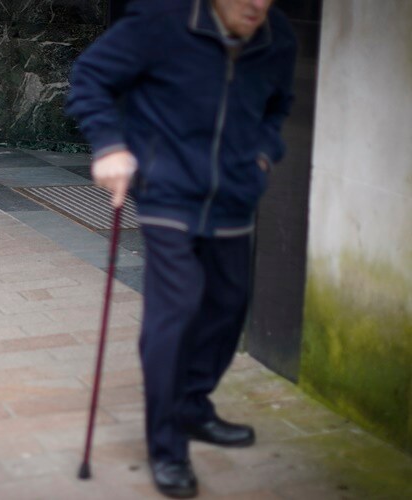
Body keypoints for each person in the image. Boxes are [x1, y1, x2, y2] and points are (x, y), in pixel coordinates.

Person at [66, 0, 296, 497]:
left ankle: (192, 407)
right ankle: (167, 446)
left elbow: (279, 104)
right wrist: (109, 145)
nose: (257, 3)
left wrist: (262, 152)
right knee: (178, 307)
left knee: (227, 309)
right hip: (168, 192)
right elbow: (89, 77)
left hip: (234, 198)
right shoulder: (162, 22)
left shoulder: (275, 34)